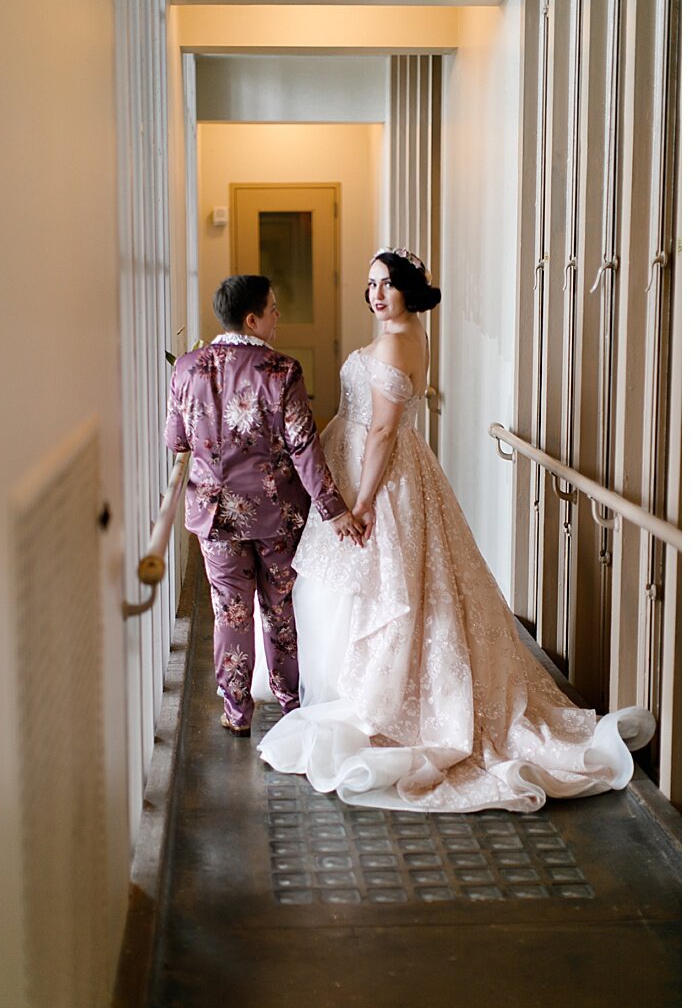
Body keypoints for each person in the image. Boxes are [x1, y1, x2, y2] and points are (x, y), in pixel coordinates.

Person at [258, 248, 656, 811]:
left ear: (408, 292)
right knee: (401, 591)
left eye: (387, 285)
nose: (375, 294)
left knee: (382, 591)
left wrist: (363, 502)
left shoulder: (397, 341)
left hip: (381, 482)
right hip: (386, 472)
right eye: (370, 284)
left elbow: (382, 434)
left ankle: (382, 701)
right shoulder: (412, 331)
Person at [165, 274, 363, 736]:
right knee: (281, 610)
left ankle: (237, 714)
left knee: (230, 613)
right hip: (277, 515)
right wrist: (334, 510)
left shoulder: (187, 368)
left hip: (215, 517)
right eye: (273, 309)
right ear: (252, 319)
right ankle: (292, 705)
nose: (278, 316)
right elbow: (304, 448)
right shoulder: (281, 370)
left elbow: (176, 440)